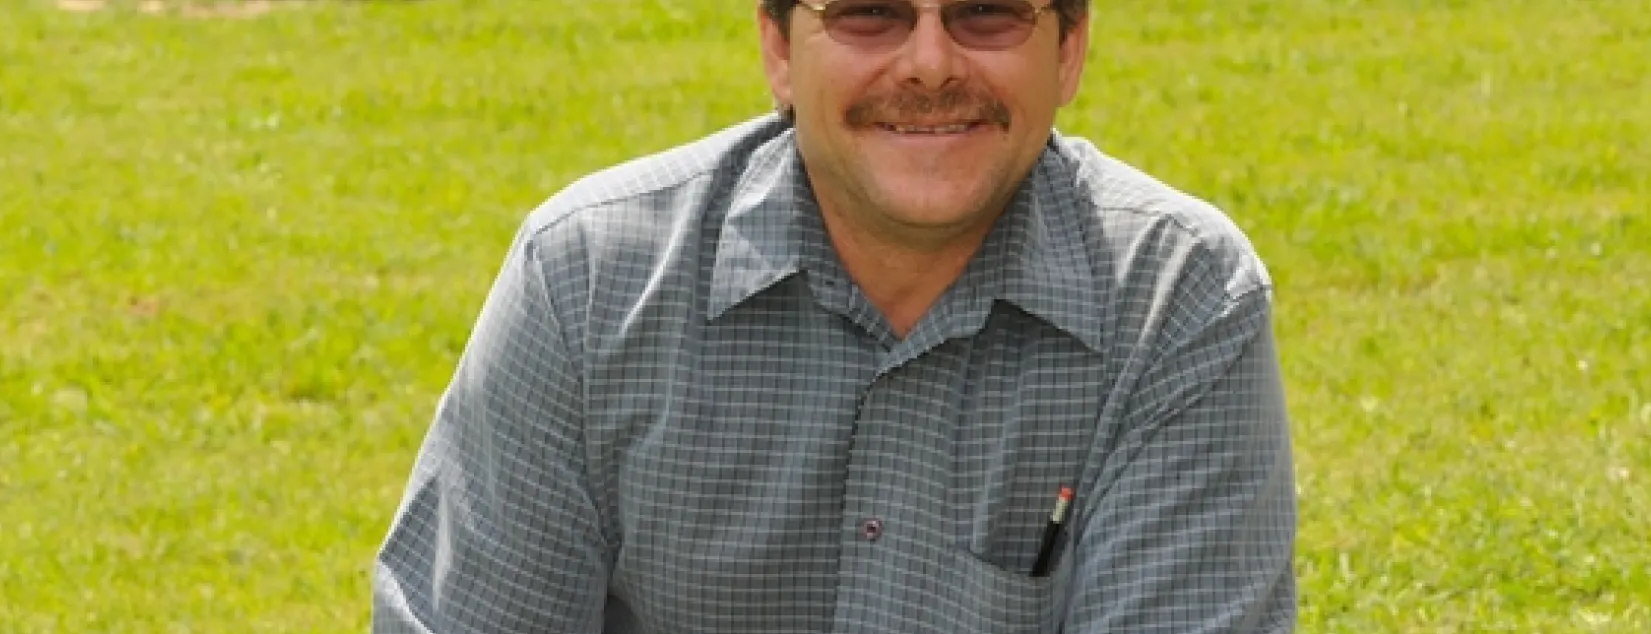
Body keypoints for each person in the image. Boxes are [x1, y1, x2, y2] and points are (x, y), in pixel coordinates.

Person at [372, 0, 1298, 632]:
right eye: (869, 13)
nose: (930, 63)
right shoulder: (588, 282)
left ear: (1068, 50)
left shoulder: (1177, 301)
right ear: (779, 51)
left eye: (986, 13)